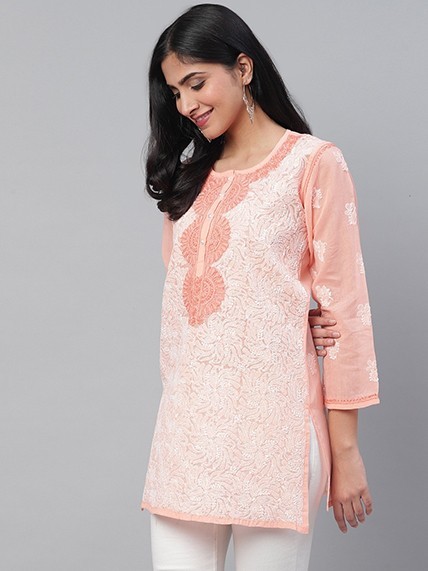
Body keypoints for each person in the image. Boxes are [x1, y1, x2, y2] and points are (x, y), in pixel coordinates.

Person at [140, 4, 380, 570]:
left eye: (196, 83)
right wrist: (283, 315)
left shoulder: (313, 164)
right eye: (175, 93)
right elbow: (191, 310)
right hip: (188, 434)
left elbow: (345, 311)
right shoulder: (187, 180)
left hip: (276, 435)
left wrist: (346, 451)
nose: (186, 105)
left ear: (243, 68)